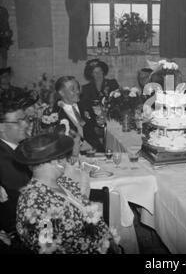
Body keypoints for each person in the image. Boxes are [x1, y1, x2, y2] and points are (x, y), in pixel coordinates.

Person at [14, 133, 120, 254]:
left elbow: (89, 210)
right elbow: (47, 248)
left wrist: (107, 238)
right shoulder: (34, 203)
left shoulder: (63, 182)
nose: (66, 160)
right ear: (55, 161)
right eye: (64, 156)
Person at [0, 99, 32, 234]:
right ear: (1, 127)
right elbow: (28, 196)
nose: (26, 124)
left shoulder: (18, 147)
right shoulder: (4, 158)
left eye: (25, 119)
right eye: (18, 121)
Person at [53, 76, 104, 152]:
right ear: (62, 93)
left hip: (96, 151)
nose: (77, 91)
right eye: (73, 89)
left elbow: (95, 124)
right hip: (72, 154)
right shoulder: (55, 114)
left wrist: (100, 123)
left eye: (78, 88)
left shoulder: (85, 104)